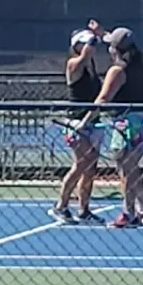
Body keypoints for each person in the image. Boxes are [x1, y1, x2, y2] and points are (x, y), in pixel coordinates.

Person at [84, 22, 143, 228]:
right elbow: (115, 39)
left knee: (125, 169)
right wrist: (101, 32)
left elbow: (103, 99)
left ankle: (129, 213)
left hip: (129, 124)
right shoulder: (138, 61)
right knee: (132, 167)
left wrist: (85, 122)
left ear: (114, 50)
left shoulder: (117, 70)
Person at [50, 28, 103, 222]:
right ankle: (61, 206)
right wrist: (94, 38)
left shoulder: (92, 67)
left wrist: (100, 33)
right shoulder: (74, 64)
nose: (91, 47)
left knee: (90, 168)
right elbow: (87, 52)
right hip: (76, 123)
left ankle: (84, 209)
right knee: (81, 163)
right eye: (86, 43)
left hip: (93, 122)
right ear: (77, 46)